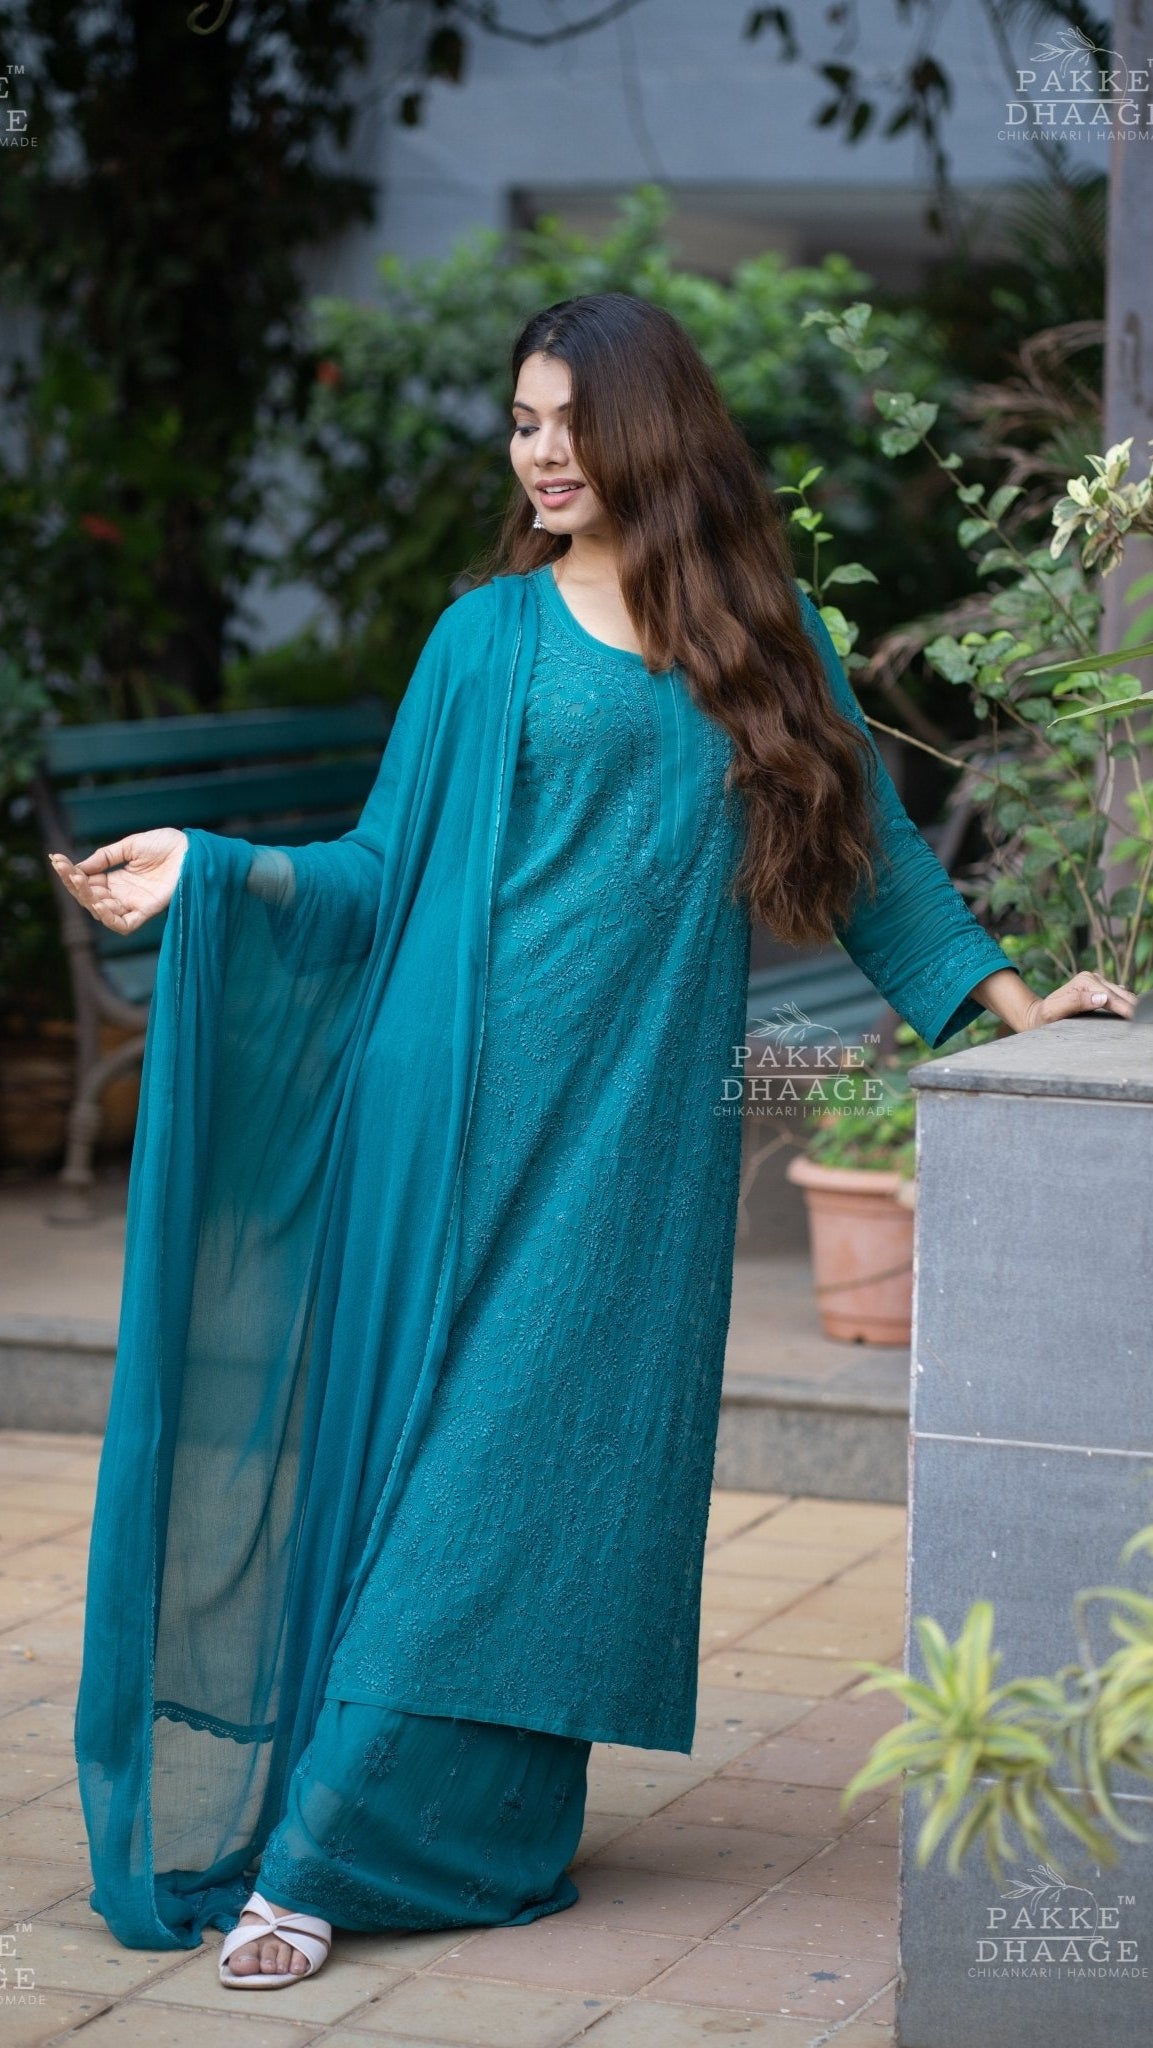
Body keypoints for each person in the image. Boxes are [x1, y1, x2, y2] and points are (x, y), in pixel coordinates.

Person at [49, 291, 1136, 1987]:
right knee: (443, 1474)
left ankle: (461, 1828)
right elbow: (374, 874)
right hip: (452, 1117)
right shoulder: (482, 638)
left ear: (651, 430)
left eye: (569, 419)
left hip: (630, 1148)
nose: (542, 452)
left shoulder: (761, 639)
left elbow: (873, 869)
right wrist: (210, 863)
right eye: (520, 422)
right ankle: (321, 1858)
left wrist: (1009, 1009)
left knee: (538, 1486)